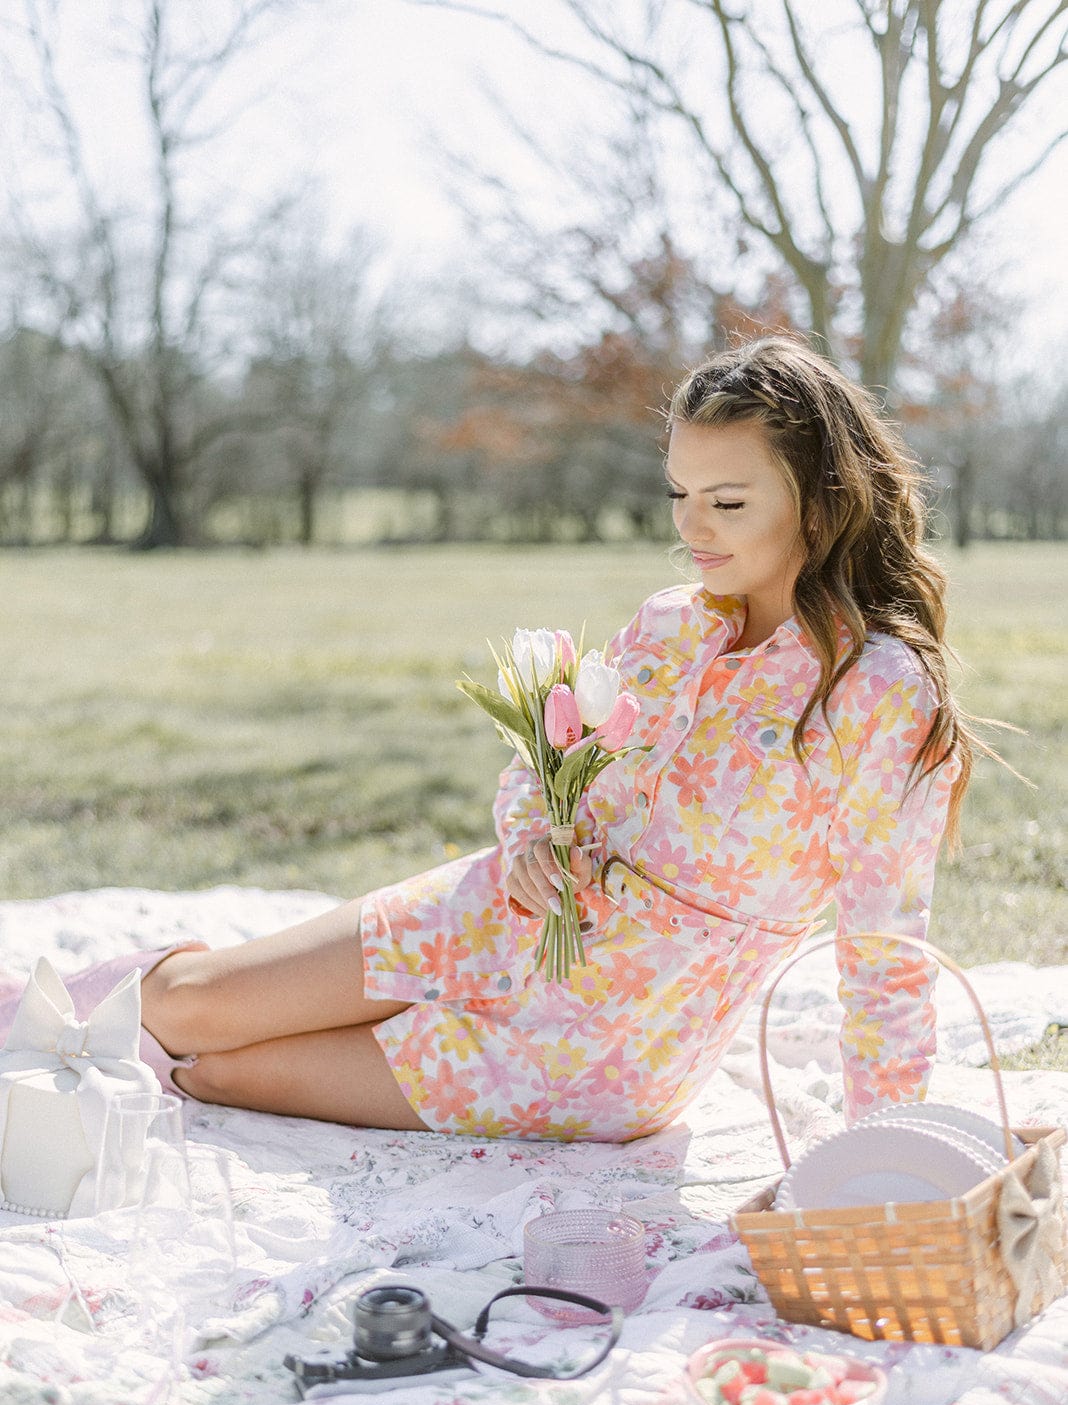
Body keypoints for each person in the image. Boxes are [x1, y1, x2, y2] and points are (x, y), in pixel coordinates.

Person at [22, 336, 982, 1140]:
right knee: (191, 1009)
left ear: (823, 499)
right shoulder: (671, 623)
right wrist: (531, 838)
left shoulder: (878, 690)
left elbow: (886, 948)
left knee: (221, 1074)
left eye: (727, 503)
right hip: (493, 915)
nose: (693, 528)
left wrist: (886, 1160)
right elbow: (548, 763)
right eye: (678, 495)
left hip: (601, 1042)